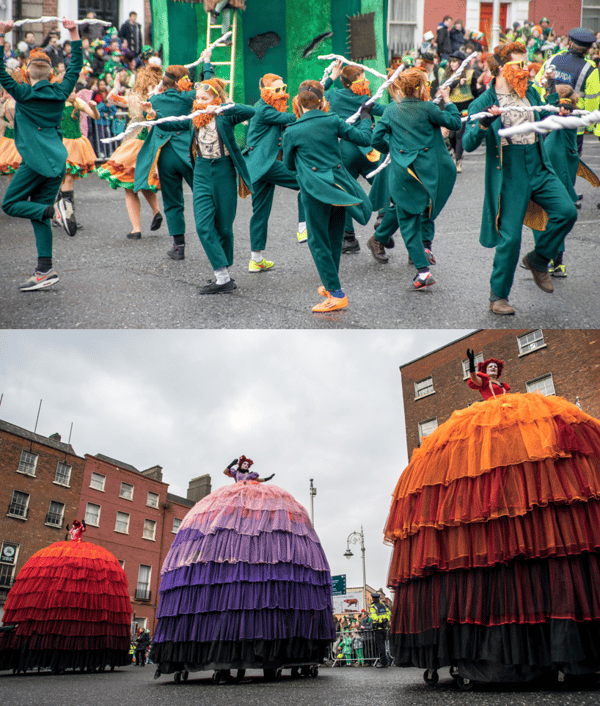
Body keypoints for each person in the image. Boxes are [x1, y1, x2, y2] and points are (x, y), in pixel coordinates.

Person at [384, 354, 600, 687]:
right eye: (492, 370)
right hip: (485, 427)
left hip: (513, 422)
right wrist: (475, 375)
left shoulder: (508, 391)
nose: (496, 372)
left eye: (498, 369)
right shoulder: (483, 385)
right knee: (487, 480)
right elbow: (474, 382)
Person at [149, 454, 335, 682]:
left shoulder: (256, 480)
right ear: (240, 466)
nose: (246, 466)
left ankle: (222, 663)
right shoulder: (234, 476)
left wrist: (267, 478)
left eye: (248, 465)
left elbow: (262, 478)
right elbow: (227, 470)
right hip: (231, 503)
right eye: (244, 464)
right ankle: (263, 661)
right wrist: (231, 464)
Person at [463, 42, 578, 315]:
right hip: (510, 170)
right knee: (510, 239)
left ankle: (538, 260)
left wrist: (559, 106)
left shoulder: (531, 91)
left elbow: (544, 108)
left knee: (567, 211)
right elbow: (467, 143)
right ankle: (498, 297)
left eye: (526, 64)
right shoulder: (485, 101)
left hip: (538, 164)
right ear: (501, 68)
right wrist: (482, 124)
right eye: (518, 65)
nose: (525, 70)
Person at [144, 78, 254, 293]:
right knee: (203, 226)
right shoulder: (193, 119)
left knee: (224, 227)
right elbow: (170, 123)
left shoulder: (225, 117)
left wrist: (222, 107)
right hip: (201, 172)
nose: (200, 102)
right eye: (198, 99)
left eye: (205, 99)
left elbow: (250, 111)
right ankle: (221, 276)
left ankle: (225, 273)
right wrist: (152, 114)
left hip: (224, 172)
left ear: (215, 99)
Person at [0, 17, 83, 292]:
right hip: (57, 159)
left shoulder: (22, 93)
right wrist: (74, 32)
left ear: (26, 73)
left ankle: (54, 211)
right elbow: (75, 66)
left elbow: (0, 71)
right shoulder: (60, 91)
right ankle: (44, 269)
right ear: (50, 75)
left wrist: (2, 36)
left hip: (36, 160)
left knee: (10, 204)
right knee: (38, 215)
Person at [282, 80, 373, 313]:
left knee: (317, 240)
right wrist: (365, 117)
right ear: (323, 102)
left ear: (298, 103)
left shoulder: (291, 131)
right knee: (333, 237)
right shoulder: (333, 120)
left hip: (314, 190)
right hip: (339, 185)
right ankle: (331, 284)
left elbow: (289, 164)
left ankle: (336, 293)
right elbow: (364, 139)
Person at [370, 68, 461, 288]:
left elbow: (375, 139)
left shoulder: (392, 110)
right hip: (428, 171)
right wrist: (448, 100)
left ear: (400, 87)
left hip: (403, 171)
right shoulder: (429, 107)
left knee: (408, 219)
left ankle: (422, 271)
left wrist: (392, 147)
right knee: (424, 210)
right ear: (422, 87)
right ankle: (422, 251)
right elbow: (455, 123)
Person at [134, 55, 212, 258]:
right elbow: (209, 87)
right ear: (180, 83)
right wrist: (208, 63)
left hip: (166, 156)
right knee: (204, 195)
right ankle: (213, 237)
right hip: (188, 152)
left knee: (172, 201)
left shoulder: (155, 100)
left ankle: (179, 246)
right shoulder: (189, 98)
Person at [323, 60, 386, 254]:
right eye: (363, 80)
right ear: (351, 83)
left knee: (346, 192)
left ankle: (348, 238)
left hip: (344, 151)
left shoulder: (332, 95)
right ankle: (383, 220)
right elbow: (386, 112)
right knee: (382, 184)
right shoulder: (366, 99)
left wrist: (330, 78)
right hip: (367, 149)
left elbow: (316, 91)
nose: (366, 83)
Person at [244, 73, 305, 271]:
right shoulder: (264, 111)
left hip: (258, 166)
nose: (283, 94)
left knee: (260, 212)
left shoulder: (267, 108)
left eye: (284, 89)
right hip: (265, 163)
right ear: (265, 92)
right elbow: (291, 117)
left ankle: (256, 259)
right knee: (305, 180)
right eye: (277, 90)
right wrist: (311, 106)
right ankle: (303, 227)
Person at [98, 66, 163, 239]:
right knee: (144, 181)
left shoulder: (133, 98)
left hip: (132, 146)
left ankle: (136, 229)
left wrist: (116, 85)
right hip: (150, 144)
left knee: (130, 187)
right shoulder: (159, 98)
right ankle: (156, 211)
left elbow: (112, 99)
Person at [535, 27, 600, 156]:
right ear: (588, 49)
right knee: (568, 167)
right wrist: (589, 126)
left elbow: (537, 87)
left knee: (546, 164)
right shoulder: (590, 69)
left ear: (570, 43)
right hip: (573, 127)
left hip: (548, 121)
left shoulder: (552, 60)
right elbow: (592, 101)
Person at [56, 88, 101, 234]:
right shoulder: (57, 103)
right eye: (70, 91)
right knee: (64, 180)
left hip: (75, 145)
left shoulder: (78, 102)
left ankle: (66, 215)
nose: (73, 94)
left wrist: (93, 107)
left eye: (74, 91)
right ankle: (66, 215)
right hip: (61, 144)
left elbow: (95, 117)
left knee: (68, 179)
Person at [369, 593, 391, 668]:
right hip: (385, 628)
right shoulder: (384, 605)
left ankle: (383, 662)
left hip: (378, 628)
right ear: (378, 599)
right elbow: (389, 613)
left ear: (373, 599)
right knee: (385, 645)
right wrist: (386, 619)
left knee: (381, 646)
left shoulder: (373, 607)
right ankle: (386, 661)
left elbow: (373, 616)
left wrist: (380, 620)